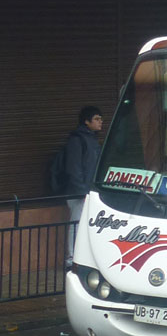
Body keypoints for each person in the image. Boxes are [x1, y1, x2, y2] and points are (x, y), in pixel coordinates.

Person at [64, 106, 103, 267]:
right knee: (76, 224)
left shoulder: (92, 140)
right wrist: (81, 190)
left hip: (89, 191)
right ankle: (71, 259)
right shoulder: (77, 140)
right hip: (79, 192)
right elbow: (73, 168)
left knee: (85, 225)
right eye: (96, 119)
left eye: (101, 118)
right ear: (87, 122)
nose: (101, 122)